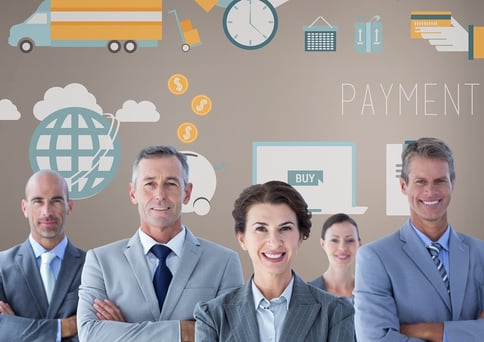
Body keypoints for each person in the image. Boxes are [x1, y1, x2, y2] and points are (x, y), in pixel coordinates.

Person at [76, 145, 244, 342]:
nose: (160, 195)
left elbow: (232, 336)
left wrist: (125, 332)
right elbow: (90, 334)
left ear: (187, 193)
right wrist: (185, 331)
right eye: (150, 184)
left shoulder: (223, 262)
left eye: (171, 183)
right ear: (133, 193)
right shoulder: (101, 261)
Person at [354, 137, 484, 342]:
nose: (430, 191)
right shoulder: (375, 258)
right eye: (420, 181)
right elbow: (376, 339)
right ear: (404, 185)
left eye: (440, 181)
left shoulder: (481, 253)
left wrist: (427, 330)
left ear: (452, 184)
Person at [194, 180, 355, 341]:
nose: (274, 242)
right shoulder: (213, 316)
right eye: (261, 229)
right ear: (242, 238)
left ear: (300, 236)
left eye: (285, 228)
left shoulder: (335, 312)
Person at [0, 170, 86, 342]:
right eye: (38, 201)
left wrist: (18, 328)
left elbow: (96, 331)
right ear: (25, 208)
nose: (47, 212)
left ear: (69, 206)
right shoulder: (1, 265)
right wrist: (66, 327)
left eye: (56, 201)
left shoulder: (91, 265)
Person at [309, 213, 361, 300]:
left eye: (350, 240)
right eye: (334, 240)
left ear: (359, 244)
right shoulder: (308, 293)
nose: (342, 248)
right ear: (323, 244)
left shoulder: (369, 293)